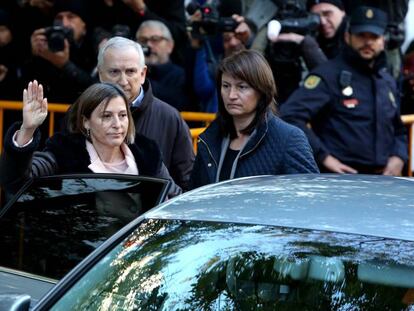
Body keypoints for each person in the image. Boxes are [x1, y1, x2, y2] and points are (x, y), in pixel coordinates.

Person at [280, 6, 408, 175]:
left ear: (382, 41)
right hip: (340, 181)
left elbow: (398, 129)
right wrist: (323, 157)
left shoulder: (386, 81)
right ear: (348, 37)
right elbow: (290, 116)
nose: (368, 42)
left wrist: (399, 157)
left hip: (383, 180)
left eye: (374, 36)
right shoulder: (328, 75)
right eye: (361, 35)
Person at [0, 81, 180, 198]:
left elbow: (175, 199)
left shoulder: (147, 154)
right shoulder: (65, 153)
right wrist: (28, 129)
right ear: (86, 122)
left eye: (123, 115)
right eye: (107, 116)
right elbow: (16, 182)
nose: (117, 124)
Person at [189, 50, 319, 190]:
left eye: (242, 87)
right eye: (226, 86)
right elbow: (194, 194)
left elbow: (309, 197)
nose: (231, 95)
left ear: (262, 90)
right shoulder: (211, 135)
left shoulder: (288, 138)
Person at [97, 36, 194, 190]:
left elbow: (188, 181)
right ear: (101, 74)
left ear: (142, 74)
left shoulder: (169, 118)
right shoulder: (81, 114)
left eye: (130, 72)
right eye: (114, 72)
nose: (123, 81)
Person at [22, 0, 95, 103]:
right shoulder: (47, 45)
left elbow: (96, 87)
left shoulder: (93, 49)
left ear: (84, 27)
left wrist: (65, 65)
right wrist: (35, 55)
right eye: (59, 18)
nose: (64, 24)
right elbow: (27, 89)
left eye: (71, 17)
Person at [135, 20, 189, 111]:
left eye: (155, 39)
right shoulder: (131, 73)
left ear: (170, 45)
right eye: (143, 41)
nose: (148, 45)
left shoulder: (181, 75)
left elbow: (176, 102)